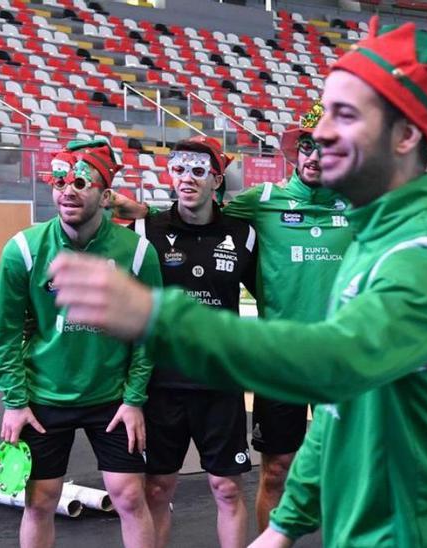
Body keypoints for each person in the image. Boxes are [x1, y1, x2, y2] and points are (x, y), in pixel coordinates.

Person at [47, 19, 427, 547]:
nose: (323, 135)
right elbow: (340, 406)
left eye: (346, 115)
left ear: (405, 137)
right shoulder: (370, 244)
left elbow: (332, 364)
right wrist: (283, 528)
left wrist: (158, 316)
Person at [110, 102, 355, 531]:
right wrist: (146, 212)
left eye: (328, 149)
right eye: (308, 147)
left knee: (350, 472)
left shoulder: (359, 208)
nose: (316, 157)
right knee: (275, 470)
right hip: (276, 363)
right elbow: (192, 215)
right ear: (294, 154)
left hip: (341, 361)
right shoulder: (260, 206)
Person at [0, 139, 161, 548]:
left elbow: (149, 331)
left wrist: (134, 399)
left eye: (81, 182)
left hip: (112, 398)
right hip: (43, 398)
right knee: (39, 502)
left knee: (130, 496)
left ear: (104, 196)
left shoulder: (137, 253)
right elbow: (5, 335)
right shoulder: (24, 250)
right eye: (61, 180)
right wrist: (15, 402)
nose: (68, 190)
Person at [132, 136, 257, 547]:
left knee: (227, 489)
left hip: (219, 384)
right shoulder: (146, 228)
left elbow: (271, 297)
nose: (187, 178)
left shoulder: (243, 235)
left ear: (217, 179)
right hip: (161, 385)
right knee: (156, 490)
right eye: (179, 169)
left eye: (199, 171)